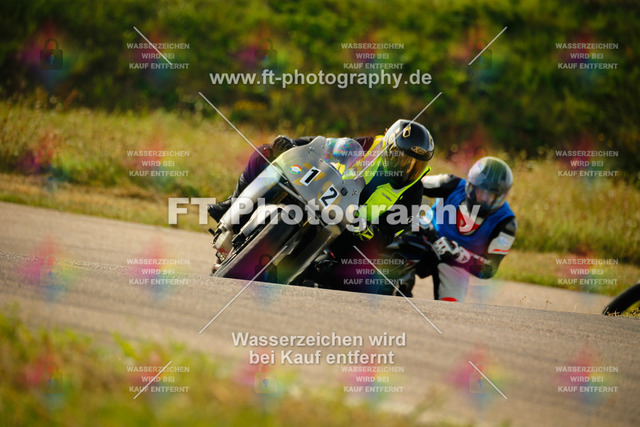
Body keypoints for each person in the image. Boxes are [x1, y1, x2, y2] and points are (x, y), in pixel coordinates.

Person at [208, 119, 436, 292]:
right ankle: (233, 206)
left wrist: (369, 230)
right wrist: (293, 144)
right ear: (387, 146)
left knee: (355, 277)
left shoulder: (413, 192)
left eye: (415, 164)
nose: (407, 168)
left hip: (351, 232)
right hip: (323, 193)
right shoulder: (369, 146)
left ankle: (304, 277)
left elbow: (390, 231)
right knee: (264, 154)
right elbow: (326, 147)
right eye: (402, 158)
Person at [413, 156, 517, 302]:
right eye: (482, 192)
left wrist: (459, 253)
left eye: (492, 195)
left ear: (502, 196)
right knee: (396, 248)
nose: (485, 199)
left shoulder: (506, 223)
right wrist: (414, 217)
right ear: (471, 186)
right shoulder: (450, 183)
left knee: (452, 308)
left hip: (455, 263)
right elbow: (412, 184)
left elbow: (489, 269)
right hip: (422, 237)